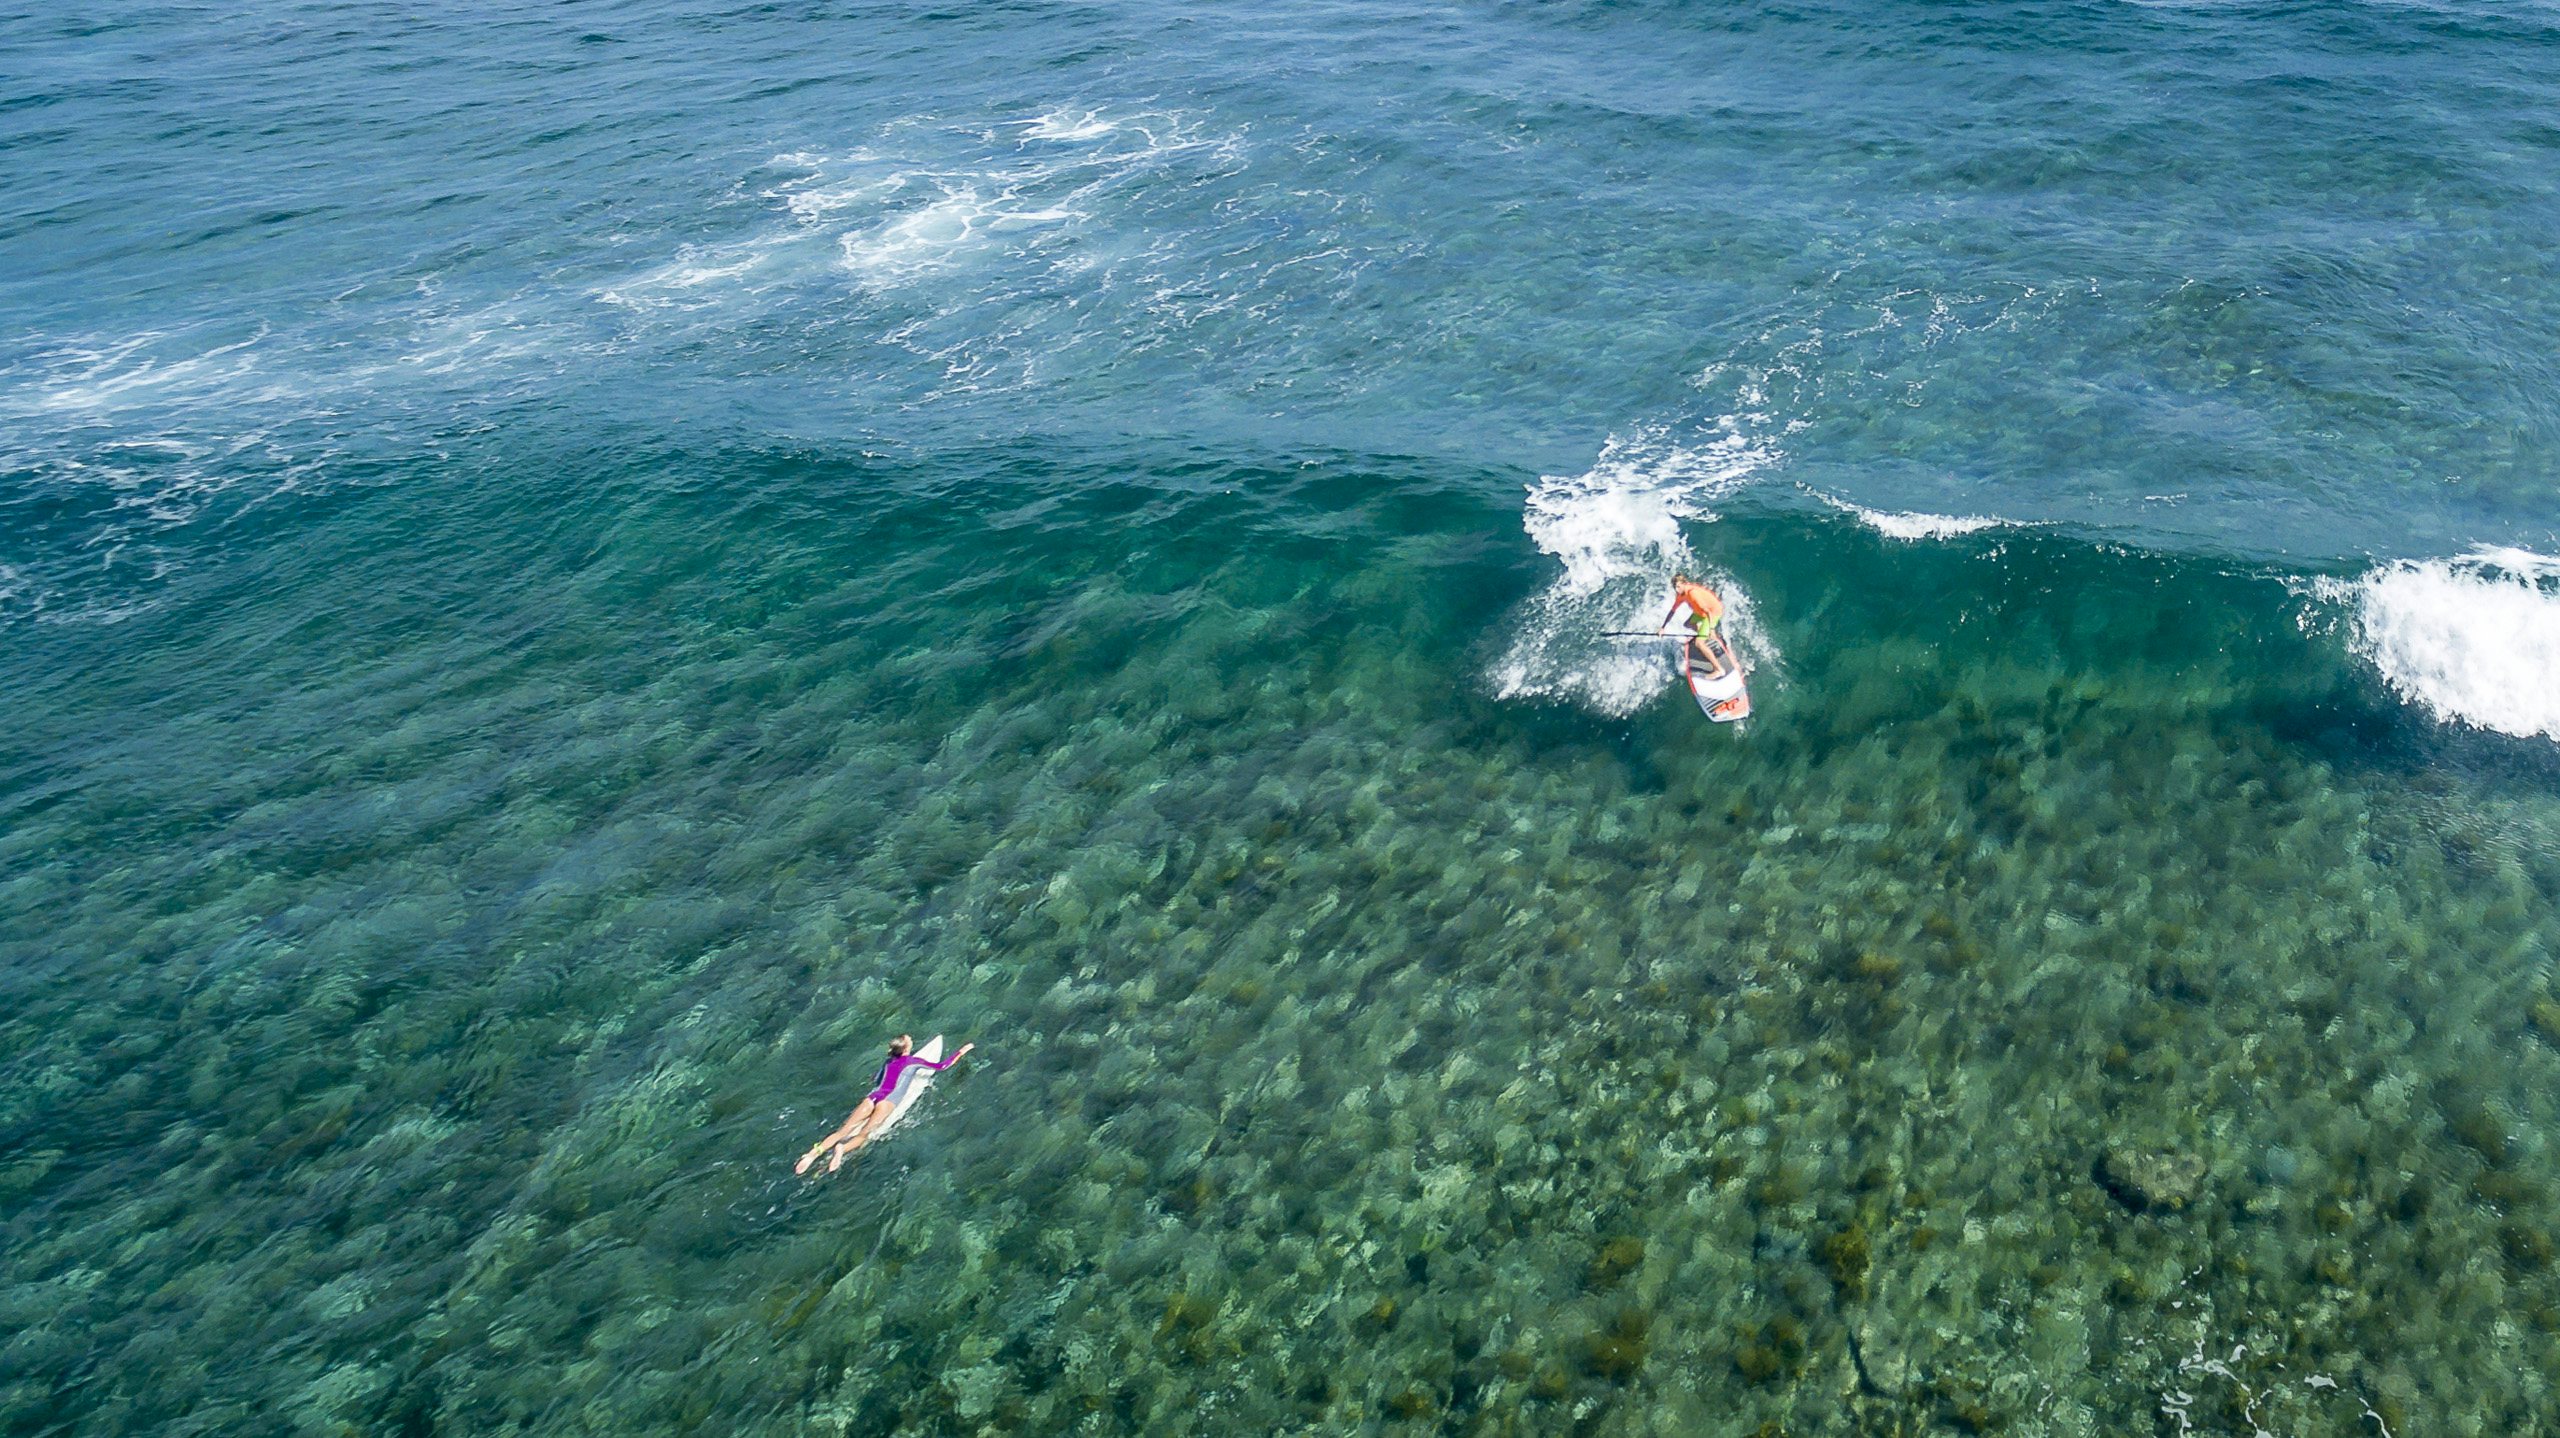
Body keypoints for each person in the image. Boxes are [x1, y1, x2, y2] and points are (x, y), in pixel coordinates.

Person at [797, 1035, 974, 1173]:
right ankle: (843, 1148)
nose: (911, 1040)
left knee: (843, 1131)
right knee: (864, 1135)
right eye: (909, 1040)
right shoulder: (913, 1062)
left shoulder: (888, 1061)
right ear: (906, 1048)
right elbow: (942, 1066)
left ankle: (812, 1154)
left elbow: (877, 1078)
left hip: (873, 1098)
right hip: (887, 1103)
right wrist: (961, 1051)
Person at [1661, 573, 1731, 678]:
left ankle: (1719, 670)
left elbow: (1708, 612)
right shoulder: (1681, 595)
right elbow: (1672, 611)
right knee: (1688, 624)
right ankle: (1704, 636)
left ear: (1684, 583)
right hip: (1700, 612)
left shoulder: (1692, 594)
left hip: (1713, 612)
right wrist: (1663, 628)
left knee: (1699, 644)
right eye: (1675, 587)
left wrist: (1711, 628)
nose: (1677, 589)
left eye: (1678, 586)